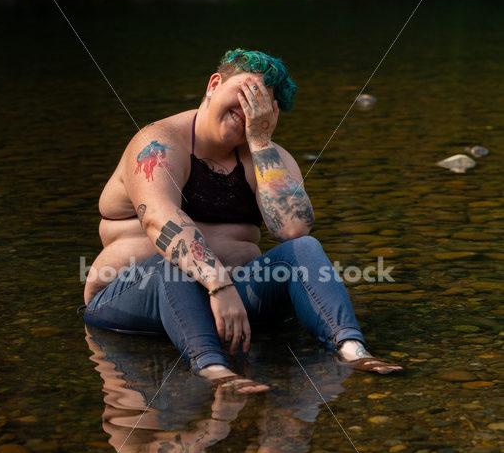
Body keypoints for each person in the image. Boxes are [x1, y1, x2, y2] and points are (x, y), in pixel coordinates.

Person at [82, 48, 402, 393]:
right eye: (245, 93)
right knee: (172, 263)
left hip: (235, 301)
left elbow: (292, 230)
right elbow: (160, 220)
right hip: (132, 299)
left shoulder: (268, 157)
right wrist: (218, 284)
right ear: (214, 84)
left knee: (304, 249)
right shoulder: (158, 143)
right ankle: (212, 368)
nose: (248, 110)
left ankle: (350, 348)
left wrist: (261, 142)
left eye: (262, 104)